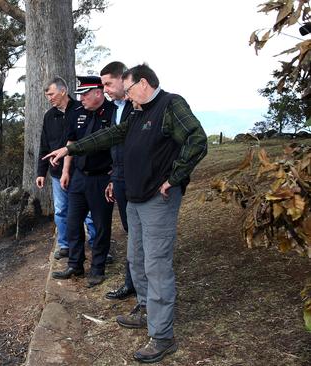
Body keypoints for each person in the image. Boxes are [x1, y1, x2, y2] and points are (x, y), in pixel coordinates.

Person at [44, 63, 208, 363]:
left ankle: (162, 337)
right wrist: (71, 150)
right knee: (136, 257)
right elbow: (110, 136)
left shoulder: (170, 105)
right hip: (134, 199)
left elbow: (197, 141)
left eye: (128, 89)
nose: (125, 95)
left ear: (143, 84)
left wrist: (175, 177)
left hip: (158, 199)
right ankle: (146, 310)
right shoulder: (136, 112)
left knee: (157, 264)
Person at [51, 75, 114, 288]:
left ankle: (98, 268)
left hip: (101, 178)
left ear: (98, 92)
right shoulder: (77, 113)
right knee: (72, 221)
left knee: (101, 224)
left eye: (85, 94)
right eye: (80, 95)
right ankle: (75, 264)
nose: (81, 98)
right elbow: (71, 143)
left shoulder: (113, 113)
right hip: (79, 177)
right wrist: (66, 172)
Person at [36, 76, 96, 260]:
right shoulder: (49, 116)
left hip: (80, 171)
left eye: (52, 94)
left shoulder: (81, 110)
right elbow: (44, 145)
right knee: (61, 210)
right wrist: (41, 172)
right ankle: (65, 244)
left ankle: (95, 243)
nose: (49, 98)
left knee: (89, 211)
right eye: (47, 95)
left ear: (63, 91)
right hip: (56, 173)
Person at [100, 61, 137, 301]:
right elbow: (115, 147)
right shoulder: (115, 109)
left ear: (123, 79)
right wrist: (114, 178)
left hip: (139, 180)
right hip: (121, 179)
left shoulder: (139, 107)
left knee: (137, 235)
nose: (105, 90)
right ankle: (132, 282)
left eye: (108, 84)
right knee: (129, 232)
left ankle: (135, 284)